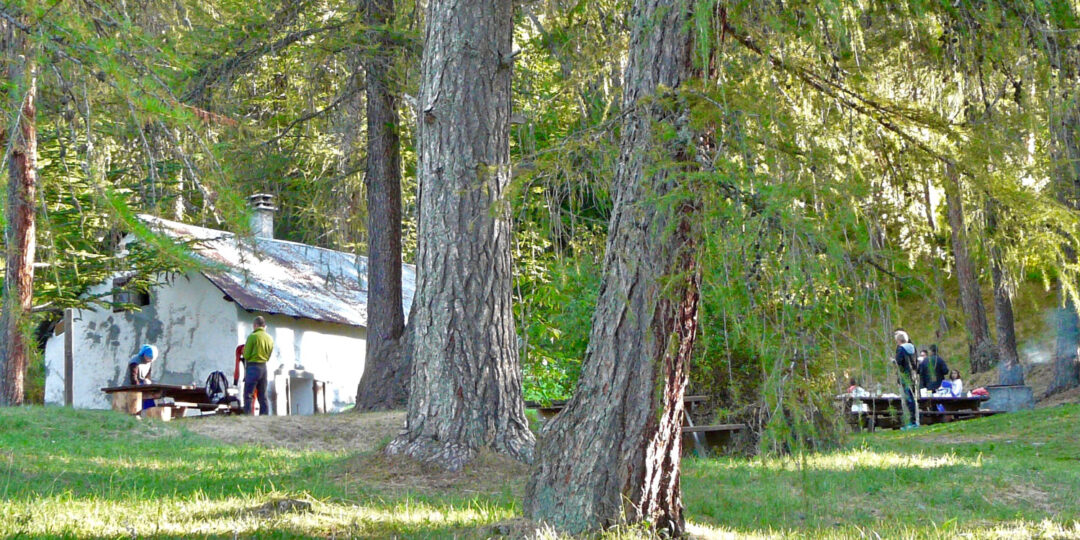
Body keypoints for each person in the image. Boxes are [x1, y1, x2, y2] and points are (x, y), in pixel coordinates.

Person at [242, 316, 274, 415]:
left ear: (255, 325)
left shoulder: (253, 336)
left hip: (253, 367)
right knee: (262, 394)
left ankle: (247, 415)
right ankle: (264, 415)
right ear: (264, 326)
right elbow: (269, 355)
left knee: (248, 394)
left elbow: (246, 355)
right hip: (264, 367)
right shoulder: (269, 338)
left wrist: (244, 352)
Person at [892, 330, 918, 429]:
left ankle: (911, 422)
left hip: (905, 376)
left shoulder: (901, 349)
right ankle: (915, 421)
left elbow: (899, 362)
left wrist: (893, 361)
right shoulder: (913, 348)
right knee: (912, 398)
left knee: (908, 400)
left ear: (899, 340)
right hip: (913, 375)